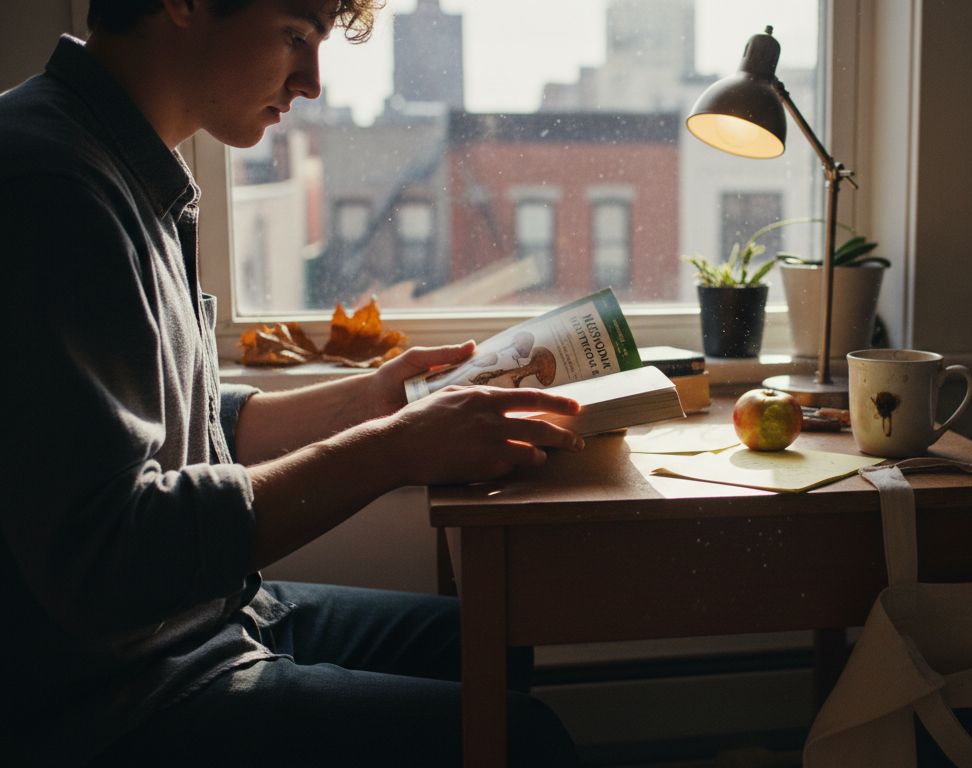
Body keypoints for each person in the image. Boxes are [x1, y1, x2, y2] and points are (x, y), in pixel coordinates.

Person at [0, 1, 586, 765]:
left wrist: (371, 399)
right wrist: (394, 451)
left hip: (200, 620)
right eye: (295, 35)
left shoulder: (120, 160)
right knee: (525, 741)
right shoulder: (50, 185)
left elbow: (181, 419)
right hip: (116, 696)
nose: (310, 81)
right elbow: (106, 555)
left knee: (482, 640)